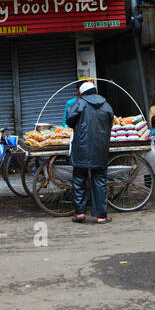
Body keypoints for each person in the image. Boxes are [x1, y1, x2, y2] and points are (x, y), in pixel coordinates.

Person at [65, 80, 115, 223]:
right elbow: (110, 124)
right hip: (100, 149)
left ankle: (80, 214)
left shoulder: (79, 103)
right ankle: (101, 216)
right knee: (99, 181)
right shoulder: (107, 105)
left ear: (83, 93)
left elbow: (69, 120)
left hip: (81, 148)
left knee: (79, 179)